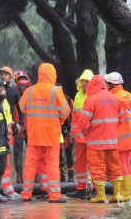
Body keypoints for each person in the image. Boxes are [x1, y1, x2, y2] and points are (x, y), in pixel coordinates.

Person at [20, 63, 70, 203]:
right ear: (53, 75)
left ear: (39, 74)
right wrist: (57, 121)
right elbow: (66, 112)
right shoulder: (56, 91)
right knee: (52, 165)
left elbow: (22, 108)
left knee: (30, 165)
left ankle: (26, 194)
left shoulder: (30, 91)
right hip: (51, 134)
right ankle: (54, 196)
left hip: (34, 134)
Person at [73, 75, 124, 203]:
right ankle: (117, 194)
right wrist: (111, 131)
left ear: (92, 85)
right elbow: (121, 120)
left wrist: (86, 133)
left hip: (95, 143)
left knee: (97, 168)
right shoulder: (115, 99)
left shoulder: (90, 100)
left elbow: (83, 123)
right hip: (112, 142)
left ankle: (101, 195)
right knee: (115, 167)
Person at [105, 72, 131, 202]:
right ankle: (126, 192)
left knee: (121, 164)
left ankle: (124, 194)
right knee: (126, 163)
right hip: (130, 137)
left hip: (120, 137)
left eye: (107, 84)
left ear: (111, 84)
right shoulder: (129, 96)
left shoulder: (114, 99)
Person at [66, 69, 94, 199]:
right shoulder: (78, 96)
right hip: (80, 137)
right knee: (81, 163)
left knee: (95, 163)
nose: (84, 84)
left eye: (86, 81)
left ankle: (95, 188)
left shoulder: (94, 96)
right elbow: (75, 117)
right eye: (82, 81)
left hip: (91, 136)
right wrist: (73, 133)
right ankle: (81, 188)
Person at [0, 66, 22, 200]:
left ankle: (2, 189)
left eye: (6, 74)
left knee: (6, 160)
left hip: (7, 131)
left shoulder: (13, 92)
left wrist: (20, 124)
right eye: (1, 74)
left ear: (10, 77)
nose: (3, 76)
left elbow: (21, 109)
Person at [12, 70, 32, 183]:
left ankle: (19, 177)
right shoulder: (32, 90)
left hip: (18, 126)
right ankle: (33, 177)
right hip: (30, 126)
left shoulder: (13, 91)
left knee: (18, 153)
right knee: (33, 153)